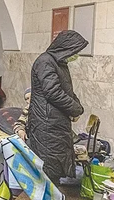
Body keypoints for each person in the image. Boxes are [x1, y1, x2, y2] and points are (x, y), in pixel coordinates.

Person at [29, 30, 87, 182]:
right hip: (47, 123)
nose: (76, 55)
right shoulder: (45, 62)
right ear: (66, 48)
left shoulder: (59, 62)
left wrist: (78, 108)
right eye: (75, 51)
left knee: (55, 163)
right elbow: (53, 92)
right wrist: (75, 109)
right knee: (49, 166)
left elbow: (67, 90)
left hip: (55, 121)